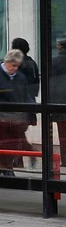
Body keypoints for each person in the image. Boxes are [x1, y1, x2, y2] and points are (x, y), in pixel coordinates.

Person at [0, 49, 35, 175]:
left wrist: (31, 114)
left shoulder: (20, 78)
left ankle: (2, 167)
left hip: (17, 118)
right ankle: (8, 169)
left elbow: (26, 96)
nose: (14, 68)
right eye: (13, 65)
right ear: (6, 62)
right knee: (3, 143)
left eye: (17, 66)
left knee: (13, 144)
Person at [51, 36, 66, 167]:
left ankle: (65, 160)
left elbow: (50, 84)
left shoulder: (54, 62)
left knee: (63, 135)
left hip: (59, 103)